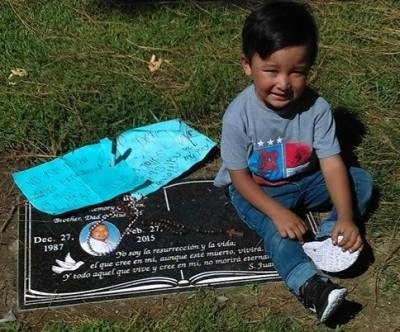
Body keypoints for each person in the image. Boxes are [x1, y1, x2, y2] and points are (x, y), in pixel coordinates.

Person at [214, 0, 373, 322]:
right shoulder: (238, 116)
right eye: (271, 71)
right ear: (247, 65)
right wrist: (278, 213)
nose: (284, 84)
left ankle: (330, 236)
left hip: (307, 178)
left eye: (297, 72)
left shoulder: (317, 109)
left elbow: (331, 163)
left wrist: (345, 216)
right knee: (278, 232)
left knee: (361, 180)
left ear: (309, 69)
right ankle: (311, 287)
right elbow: (239, 174)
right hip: (258, 190)